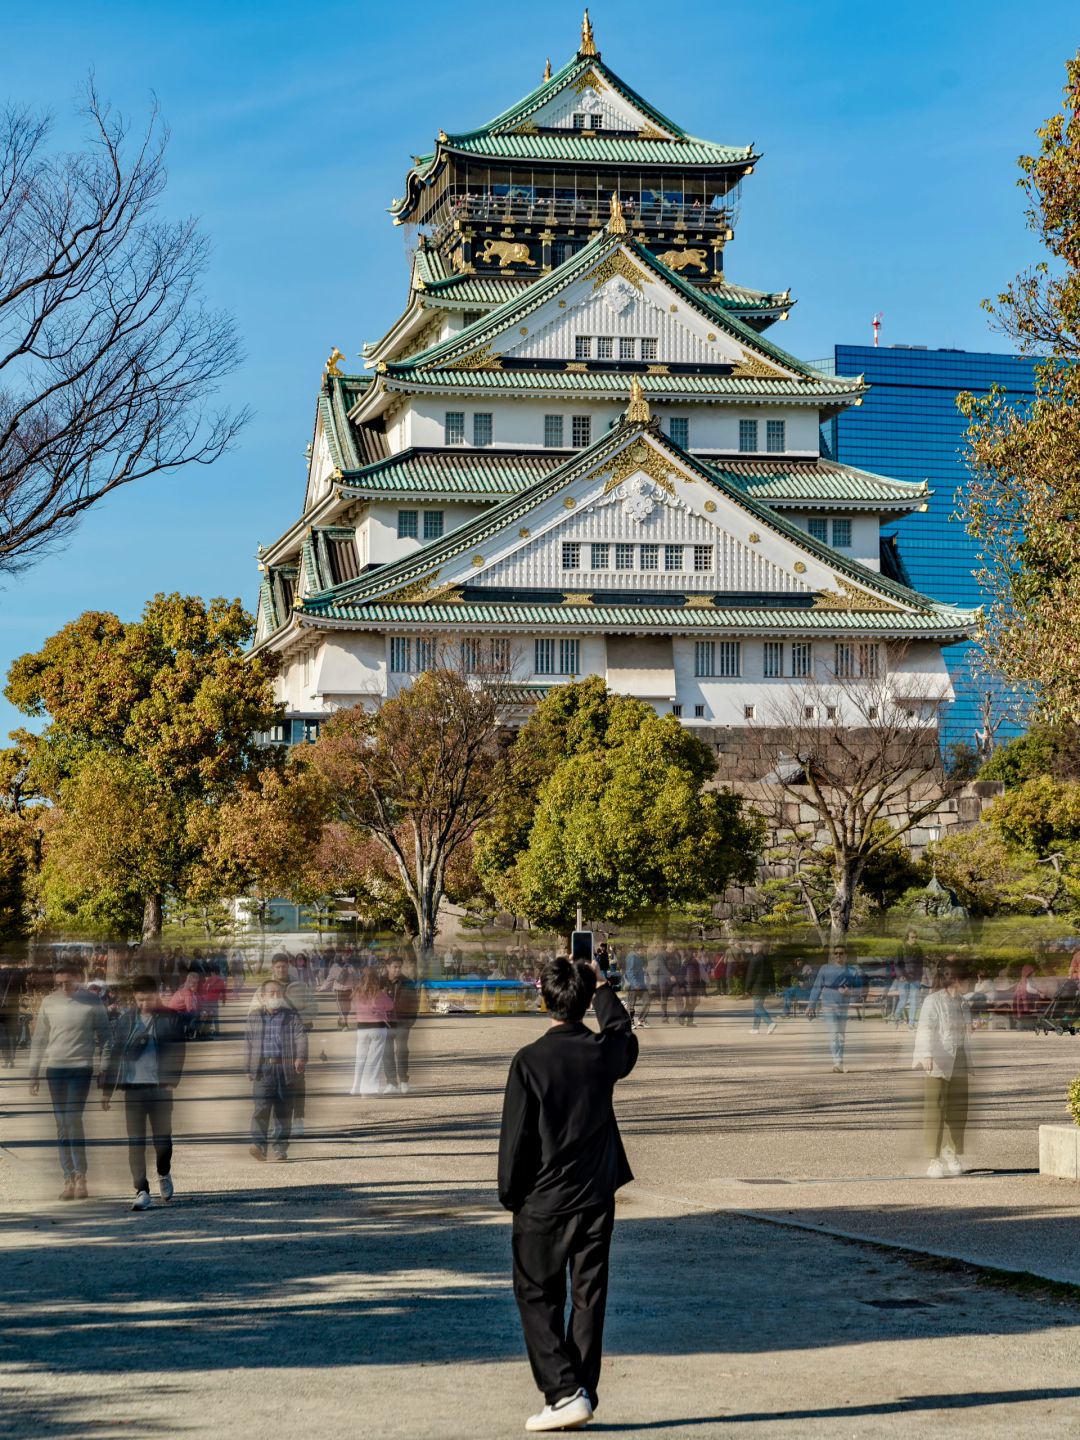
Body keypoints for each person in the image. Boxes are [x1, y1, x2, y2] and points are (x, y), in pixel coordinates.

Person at [498, 957, 638, 1433]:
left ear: (543, 999)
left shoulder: (530, 1060)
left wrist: (510, 1193)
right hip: (596, 1191)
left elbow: (516, 1139)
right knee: (588, 1295)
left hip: (545, 1196)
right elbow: (623, 1032)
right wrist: (601, 987)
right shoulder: (602, 1053)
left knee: (536, 1293)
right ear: (582, 1000)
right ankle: (580, 1391)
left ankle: (563, 1391)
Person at [28, 962, 111, 1200]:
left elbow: (106, 1037)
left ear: (78, 978)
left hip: (80, 1069)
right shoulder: (49, 1002)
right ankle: (68, 1178)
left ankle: (81, 1176)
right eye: (60, 984)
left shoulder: (92, 1002)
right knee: (62, 1124)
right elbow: (40, 1039)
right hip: (55, 1070)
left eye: (69, 983)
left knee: (72, 1119)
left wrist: (105, 1068)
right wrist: (33, 1072)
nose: (64, 987)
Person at [102, 977, 186, 1211]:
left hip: (160, 1089)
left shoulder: (170, 1018)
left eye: (148, 999)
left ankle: (164, 1172)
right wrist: (108, 1090)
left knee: (163, 1142)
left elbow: (178, 1050)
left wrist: (172, 1079)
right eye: (139, 1000)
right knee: (135, 1142)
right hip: (134, 1089)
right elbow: (115, 1054)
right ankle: (141, 1189)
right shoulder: (126, 1021)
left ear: (156, 994)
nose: (144, 1004)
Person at [913, 961, 973, 1177]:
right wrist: (926, 1054)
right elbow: (925, 1029)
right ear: (957, 980)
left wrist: (972, 1026)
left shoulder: (962, 1003)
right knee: (935, 1109)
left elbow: (966, 1028)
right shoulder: (933, 1001)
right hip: (938, 1059)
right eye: (968, 980)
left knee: (958, 1110)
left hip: (960, 1058)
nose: (971, 984)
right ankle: (933, 1159)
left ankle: (951, 1153)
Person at [245, 979, 307, 1162]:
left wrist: (301, 1057)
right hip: (263, 1069)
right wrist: (248, 1067)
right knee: (261, 1108)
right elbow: (248, 1043)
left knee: (284, 1109)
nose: (275, 996)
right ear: (262, 997)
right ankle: (258, 1145)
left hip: (285, 1068)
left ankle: (280, 1147)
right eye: (271, 993)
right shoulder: (254, 1017)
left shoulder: (292, 1016)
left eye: (279, 993)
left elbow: (301, 1037)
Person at [806, 949, 853, 1072]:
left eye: (841, 953)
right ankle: (837, 1062)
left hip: (843, 1006)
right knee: (834, 1034)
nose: (838, 955)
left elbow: (860, 989)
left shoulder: (851, 970)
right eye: (836, 953)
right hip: (828, 1005)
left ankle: (839, 1062)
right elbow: (817, 986)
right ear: (832, 956)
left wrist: (850, 992)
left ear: (846, 956)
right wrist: (811, 1005)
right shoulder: (825, 968)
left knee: (841, 1035)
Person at [351, 966, 392, 1096]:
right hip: (378, 1027)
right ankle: (368, 1089)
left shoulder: (356, 993)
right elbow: (391, 1006)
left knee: (360, 1058)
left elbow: (354, 1007)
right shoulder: (380, 993)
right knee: (373, 1060)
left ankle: (355, 1086)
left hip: (362, 1028)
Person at [383, 956, 419, 1094]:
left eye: (399, 967)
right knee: (387, 1053)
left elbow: (414, 1003)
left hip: (402, 1023)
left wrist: (410, 1021)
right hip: (385, 1023)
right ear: (388, 967)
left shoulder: (408, 982)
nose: (397, 970)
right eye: (394, 967)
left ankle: (404, 1080)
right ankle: (391, 1082)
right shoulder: (381, 982)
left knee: (402, 1051)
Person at [746, 942, 778, 1034]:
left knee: (758, 1007)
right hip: (765, 988)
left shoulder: (754, 960)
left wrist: (747, 988)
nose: (752, 949)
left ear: (756, 948)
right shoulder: (767, 960)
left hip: (757, 987)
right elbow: (772, 975)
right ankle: (755, 1028)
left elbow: (750, 975)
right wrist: (772, 988)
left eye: (752, 948)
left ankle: (770, 1023)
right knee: (757, 1007)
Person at [623, 947, 649, 1029]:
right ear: (639, 950)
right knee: (631, 1005)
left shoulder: (639, 958)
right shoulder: (632, 957)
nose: (645, 952)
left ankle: (641, 1020)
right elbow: (629, 971)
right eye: (643, 950)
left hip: (642, 984)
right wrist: (635, 984)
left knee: (647, 1001)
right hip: (634, 985)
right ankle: (630, 1022)